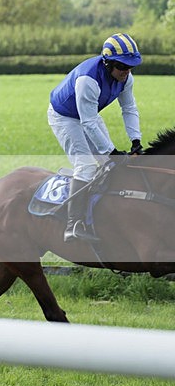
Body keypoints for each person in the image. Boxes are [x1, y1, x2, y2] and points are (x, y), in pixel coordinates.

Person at [48, 33, 144, 242]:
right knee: (87, 166)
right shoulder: (88, 80)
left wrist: (136, 141)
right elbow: (88, 122)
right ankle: (73, 224)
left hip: (87, 115)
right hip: (64, 117)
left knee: (108, 165)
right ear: (108, 64)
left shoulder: (126, 78)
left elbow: (129, 108)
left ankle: (106, 215)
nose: (126, 72)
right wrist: (112, 152)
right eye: (122, 66)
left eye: (130, 67)